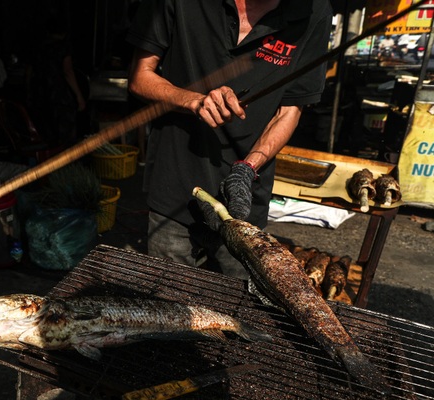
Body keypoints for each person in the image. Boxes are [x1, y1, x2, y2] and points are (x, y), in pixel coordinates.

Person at [127, 0, 333, 280]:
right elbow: (141, 77)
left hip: (245, 200)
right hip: (175, 185)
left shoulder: (313, 11)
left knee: (237, 310)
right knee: (169, 305)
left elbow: (290, 110)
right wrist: (193, 101)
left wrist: (247, 169)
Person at [26, 16, 87, 148]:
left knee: (48, 136)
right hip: (60, 96)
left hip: (41, 95)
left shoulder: (38, 46)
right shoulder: (63, 47)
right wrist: (79, 96)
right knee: (66, 137)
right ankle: (66, 165)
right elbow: (68, 71)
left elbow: (29, 71)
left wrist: (28, 91)